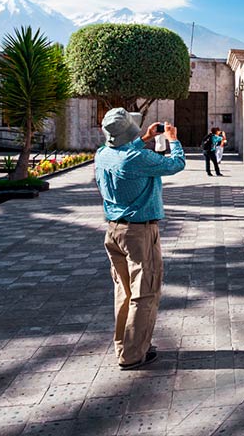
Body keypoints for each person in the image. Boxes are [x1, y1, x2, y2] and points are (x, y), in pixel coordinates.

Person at [94, 108, 186, 370]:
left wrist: (143, 138)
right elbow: (176, 164)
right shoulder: (137, 158)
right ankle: (133, 355)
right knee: (145, 292)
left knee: (123, 291)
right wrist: (173, 139)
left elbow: (125, 151)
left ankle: (125, 345)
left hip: (114, 231)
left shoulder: (102, 154)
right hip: (139, 232)